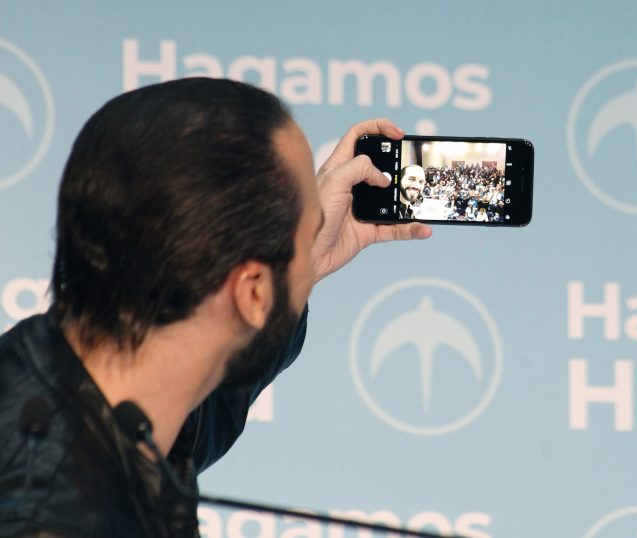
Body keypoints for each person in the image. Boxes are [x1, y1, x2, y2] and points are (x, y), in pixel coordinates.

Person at [0, 77, 431, 537]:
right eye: (312, 228)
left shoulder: (84, 386)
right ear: (252, 293)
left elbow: (208, 390)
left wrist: (299, 262)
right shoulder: (50, 518)